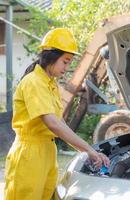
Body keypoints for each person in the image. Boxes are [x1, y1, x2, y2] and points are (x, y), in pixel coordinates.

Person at [4, 28, 110, 200]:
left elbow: (60, 124)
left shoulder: (51, 85)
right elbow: (52, 123)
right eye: (65, 62)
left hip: (47, 150)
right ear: (51, 57)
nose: (67, 68)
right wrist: (88, 150)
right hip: (29, 153)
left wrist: (88, 151)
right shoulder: (33, 82)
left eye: (69, 63)